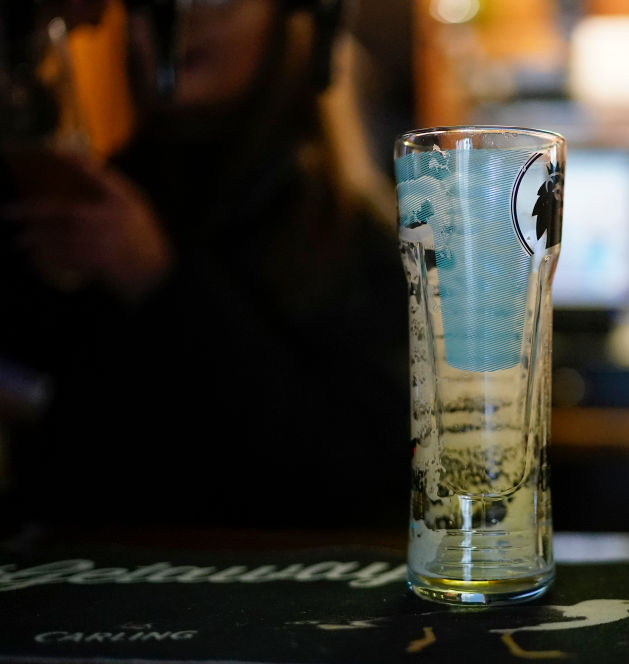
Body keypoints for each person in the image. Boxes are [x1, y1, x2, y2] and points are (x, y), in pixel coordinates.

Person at [0, 0, 409, 529]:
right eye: (153, 5)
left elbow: (357, 468)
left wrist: (159, 280)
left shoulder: (346, 231)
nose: (186, 19)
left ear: (289, 22)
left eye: (219, 0)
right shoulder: (93, 203)